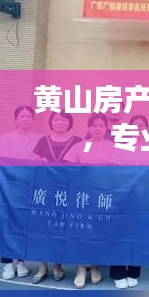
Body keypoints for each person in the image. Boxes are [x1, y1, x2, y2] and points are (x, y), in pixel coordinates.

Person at [64, 112, 115, 288]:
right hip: (83, 196)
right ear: (89, 127)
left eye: (101, 125)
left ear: (106, 128)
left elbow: (120, 171)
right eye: (94, 125)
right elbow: (68, 168)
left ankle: (94, 266)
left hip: (103, 195)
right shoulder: (80, 146)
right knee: (82, 231)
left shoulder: (113, 147)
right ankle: (80, 268)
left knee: (98, 231)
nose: (98, 128)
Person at [31, 110, 82, 283]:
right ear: (51, 122)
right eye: (56, 120)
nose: (60, 122)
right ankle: (42, 265)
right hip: (45, 189)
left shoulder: (77, 141)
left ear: (69, 123)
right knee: (43, 226)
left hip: (67, 190)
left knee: (60, 226)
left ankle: (58, 265)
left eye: (64, 120)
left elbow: (82, 164)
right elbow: (32, 163)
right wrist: (39, 163)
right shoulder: (42, 141)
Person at [0, 106, 42, 280]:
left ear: (33, 119)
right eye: (22, 116)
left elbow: (41, 161)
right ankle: (7, 264)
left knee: (24, 225)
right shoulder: (6, 138)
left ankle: (21, 262)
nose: (25, 119)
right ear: (16, 119)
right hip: (8, 187)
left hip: (28, 188)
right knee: (7, 225)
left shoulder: (38, 139)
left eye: (29, 116)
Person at [108, 114, 149, 289]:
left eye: (142, 125)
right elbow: (113, 169)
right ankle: (118, 272)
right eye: (135, 125)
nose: (139, 128)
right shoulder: (121, 146)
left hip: (143, 195)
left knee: (139, 234)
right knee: (120, 233)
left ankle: (134, 272)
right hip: (123, 195)